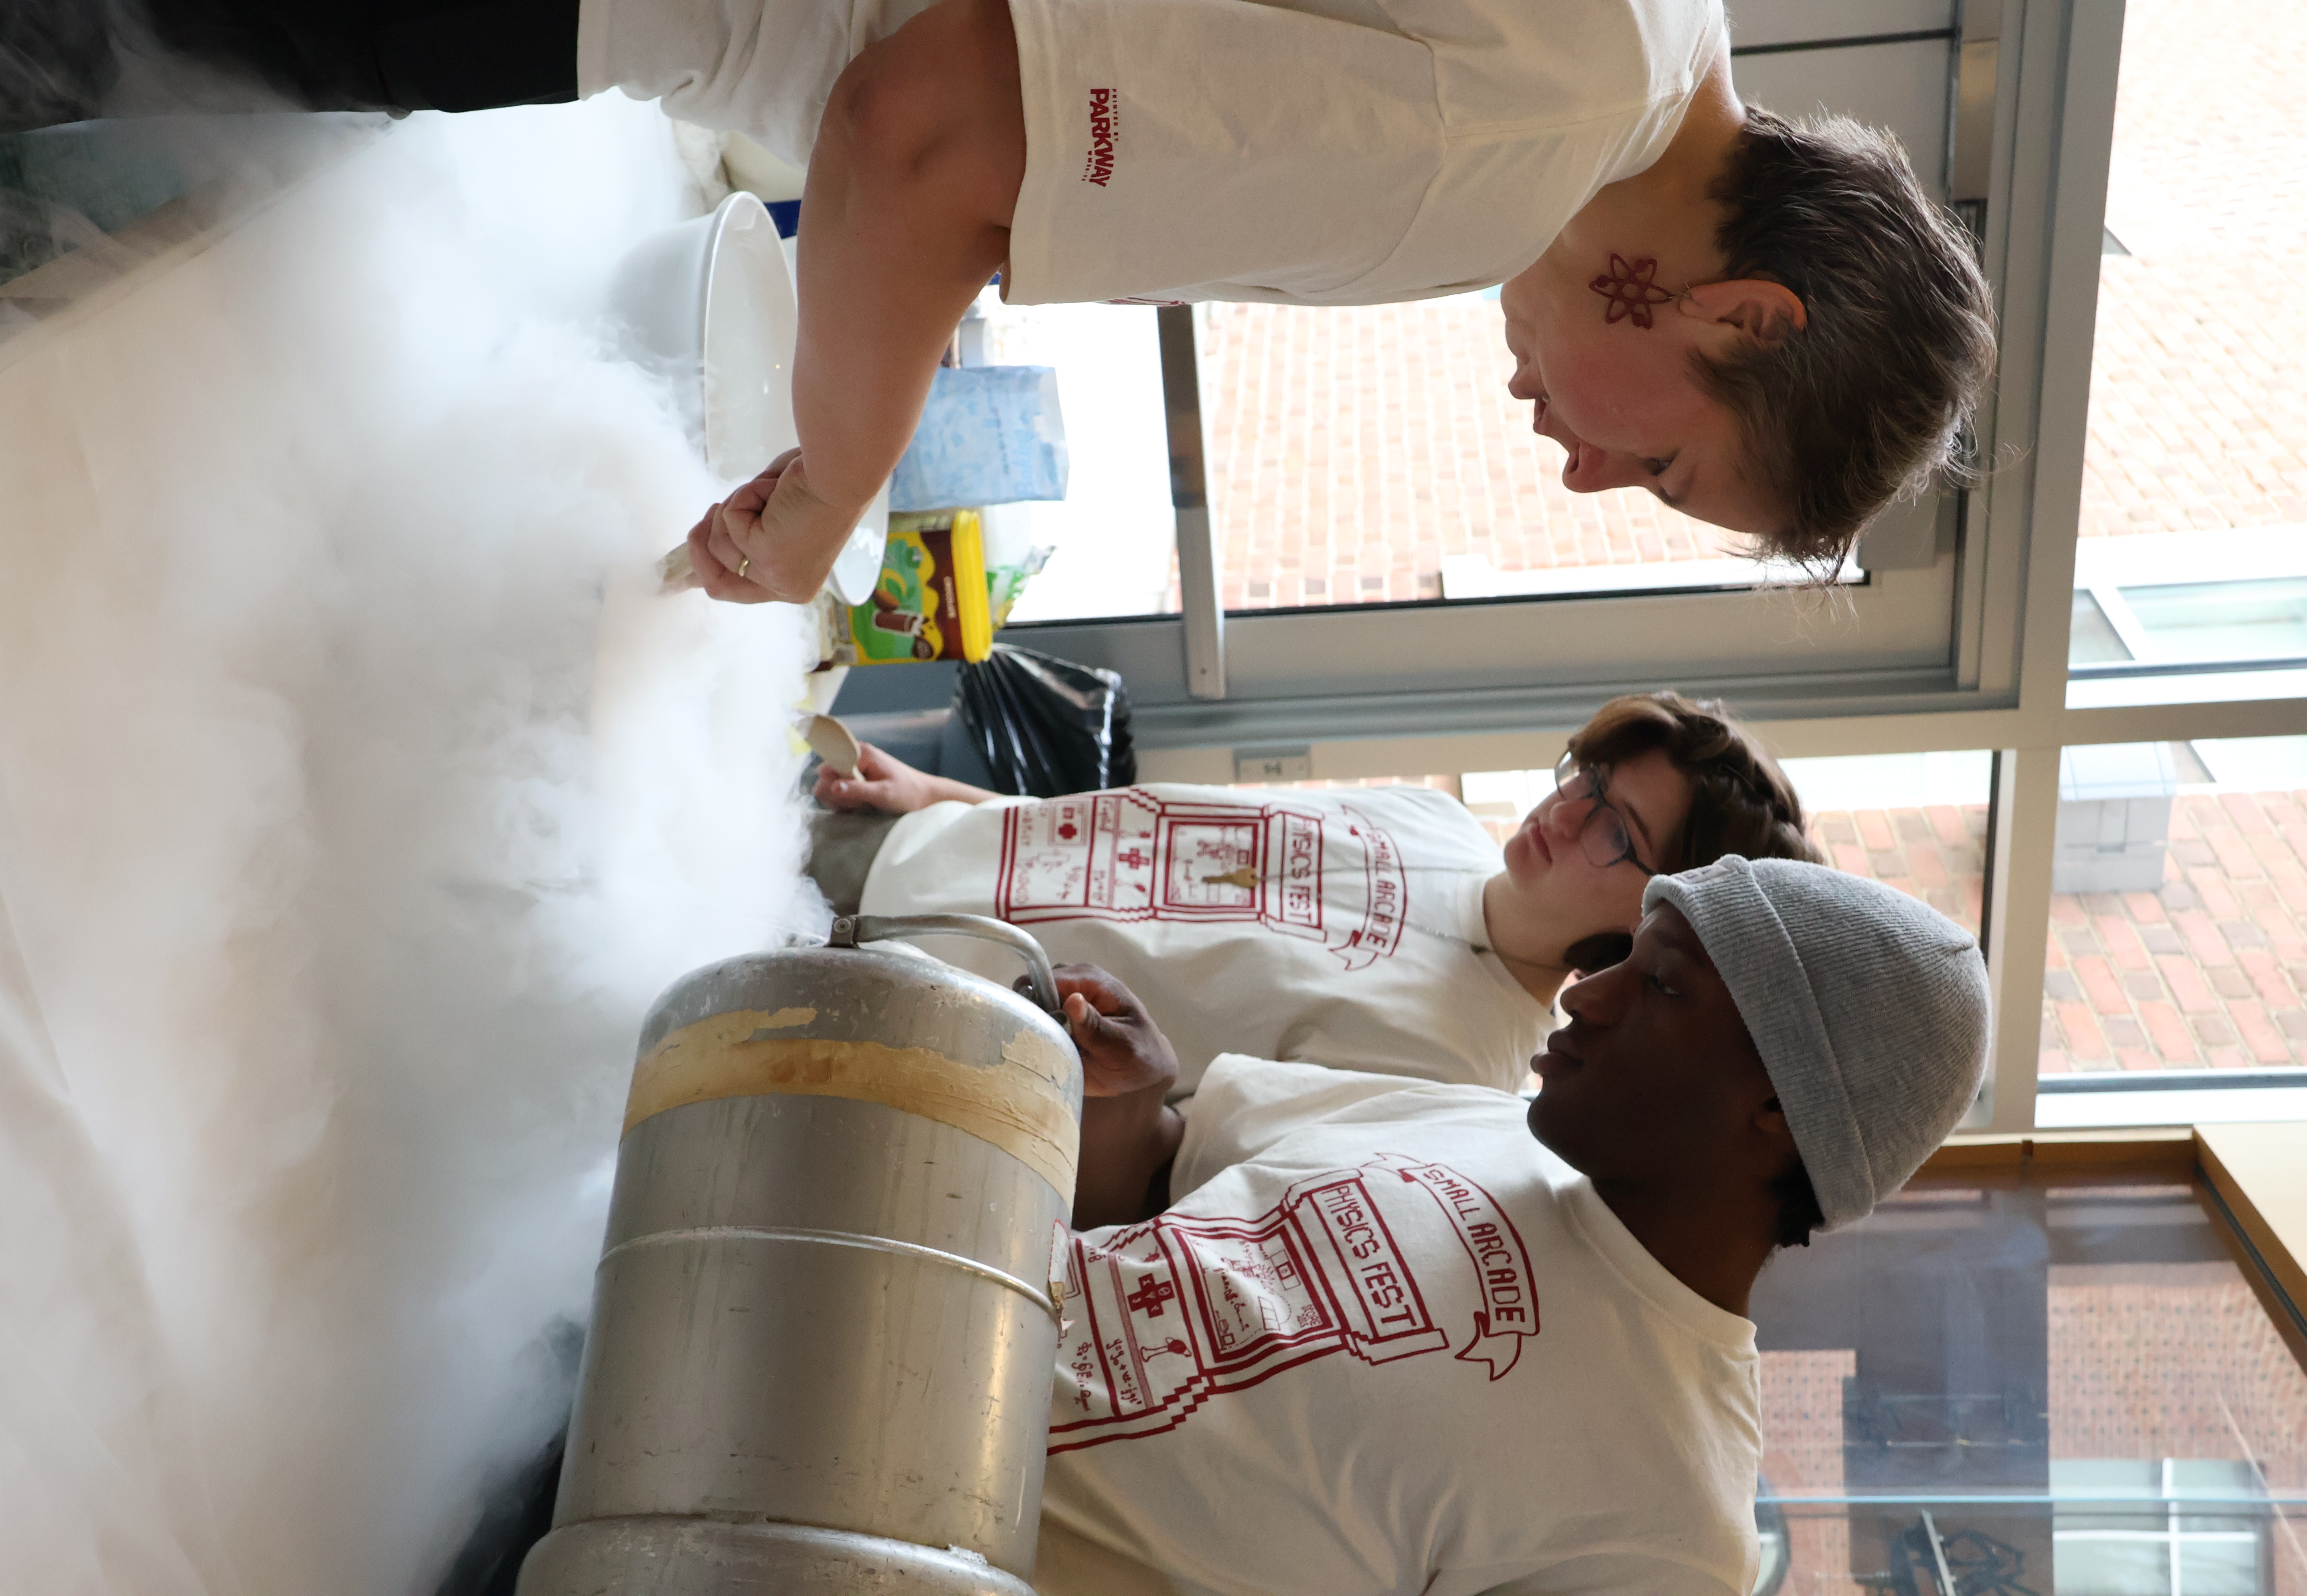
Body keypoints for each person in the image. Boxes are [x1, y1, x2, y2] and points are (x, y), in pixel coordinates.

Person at [116, 0, 1995, 597]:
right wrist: (828, 496)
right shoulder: (1497, 152)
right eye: (1663, 469)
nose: (1581, 472)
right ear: (1743, 317)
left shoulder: (1642, 30)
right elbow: (926, 129)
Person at [1036, 855, 1992, 1596]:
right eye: (1623, 956)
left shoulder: (1676, 1532)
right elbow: (1154, 1173)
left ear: (1779, 1106)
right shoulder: (1480, 1119)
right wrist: (1136, 1095)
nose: (1585, 993)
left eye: (1662, 984)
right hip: (965, 1305)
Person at [820, 691, 1819, 1097]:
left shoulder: (1457, 1073)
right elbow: (1157, 831)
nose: (1569, 809)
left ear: (1650, 923)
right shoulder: (1436, 818)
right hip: (901, 841)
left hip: (898, 1004)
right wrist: (942, 795)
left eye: (1616, 828)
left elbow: (1172, 1137)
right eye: (1590, 776)